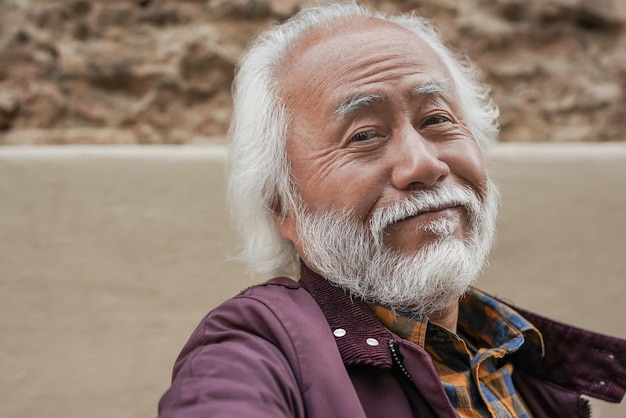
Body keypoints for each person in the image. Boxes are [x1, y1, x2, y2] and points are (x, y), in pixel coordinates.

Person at [159, 2, 626, 417]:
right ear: (285, 206)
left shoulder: (520, 361)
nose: (424, 163)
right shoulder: (255, 348)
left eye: (437, 119)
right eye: (364, 134)